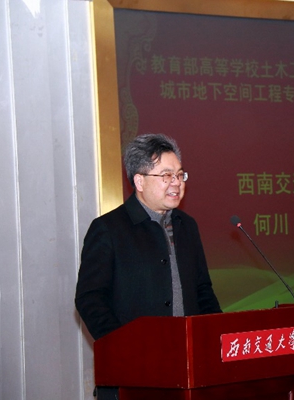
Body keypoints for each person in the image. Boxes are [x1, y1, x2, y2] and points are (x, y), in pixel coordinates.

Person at [75, 133, 222, 398]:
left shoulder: (187, 226)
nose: (176, 183)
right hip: (131, 375)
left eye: (180, 175)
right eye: (166, 175)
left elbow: (203, 291)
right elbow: (90, 298)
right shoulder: (108, 229)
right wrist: (124, 347)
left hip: (189, 372)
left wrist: (217, 340)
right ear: (139, 181)